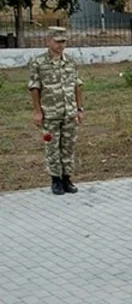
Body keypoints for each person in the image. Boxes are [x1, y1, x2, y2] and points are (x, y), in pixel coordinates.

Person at [27, 26, 83, 195]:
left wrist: (79, 109)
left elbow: (77, 85)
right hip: (50, 113)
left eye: (63, 42)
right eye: (57, 42)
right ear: (48, 41)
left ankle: (67, 179)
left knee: (68, 146)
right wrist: (37, 112)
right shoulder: (38, 62)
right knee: (52, 146)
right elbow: (34, 87)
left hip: (69, 112)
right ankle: (55, 180)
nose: (61, 45)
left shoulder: (70, 61)